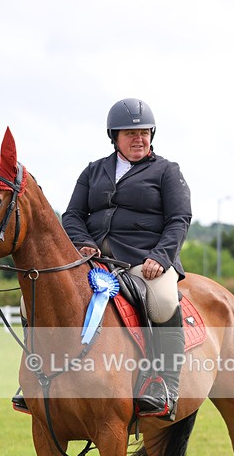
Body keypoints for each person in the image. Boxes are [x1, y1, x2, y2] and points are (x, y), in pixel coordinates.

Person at [61, 97, 192, 420]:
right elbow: (73, 215)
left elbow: (180, 219)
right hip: (95, 264)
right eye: (130, 133)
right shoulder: (93, 171)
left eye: (145, 132)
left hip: (145, 262)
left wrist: (161, 257)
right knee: (33, 301)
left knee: (162, 301)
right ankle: (39, 378)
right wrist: (84, 243)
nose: (140, 139)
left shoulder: (166, 171)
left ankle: (165, 385)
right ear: (114, 137)